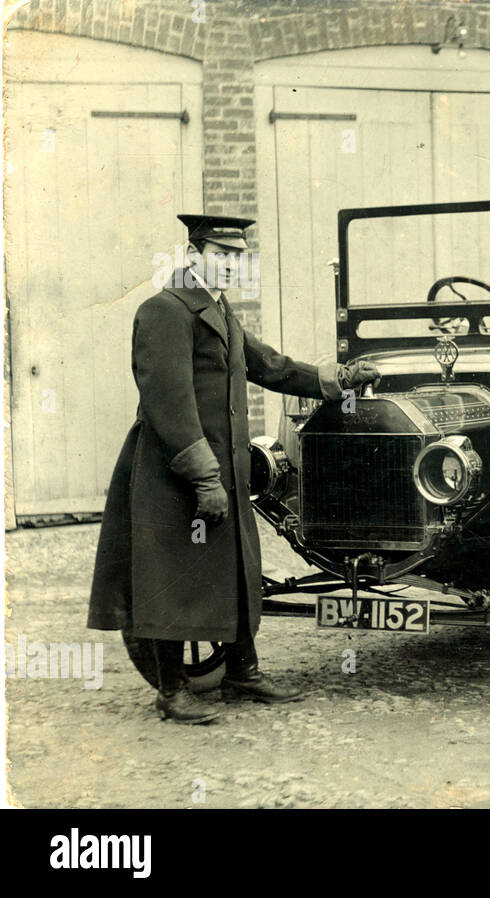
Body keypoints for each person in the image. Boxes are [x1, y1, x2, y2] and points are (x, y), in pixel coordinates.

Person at [88, 214, 381, 722]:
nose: (230, 267)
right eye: (221, 256)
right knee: (171, 578)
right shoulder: (165, 310)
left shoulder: (218, 310)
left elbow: (270, 366)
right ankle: (172, 690)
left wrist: (338, 379)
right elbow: (169, 403)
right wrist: (204, 476)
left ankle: (242, 672)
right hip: (174, 470)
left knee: (234, 568)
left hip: (222, 469)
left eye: (237, 258)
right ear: (194, 252)